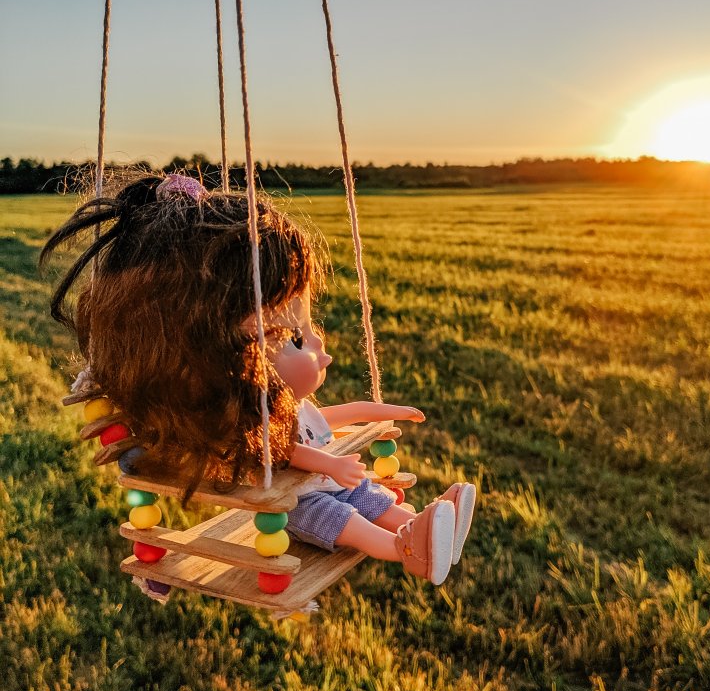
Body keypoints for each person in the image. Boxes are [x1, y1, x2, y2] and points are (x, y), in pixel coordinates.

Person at [41, 172, 476, 593]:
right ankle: (406, 548)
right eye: (292, 337)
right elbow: (282, 451)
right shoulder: (252, 428)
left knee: (372, 498)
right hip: (305, 506)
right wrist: (330, 464)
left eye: (305, 327)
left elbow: (330, 418)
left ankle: (424, 530)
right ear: (218, 366)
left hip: (330, 485)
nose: (317, 344)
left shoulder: (288, 407)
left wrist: (383, 410)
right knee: (349, 522)